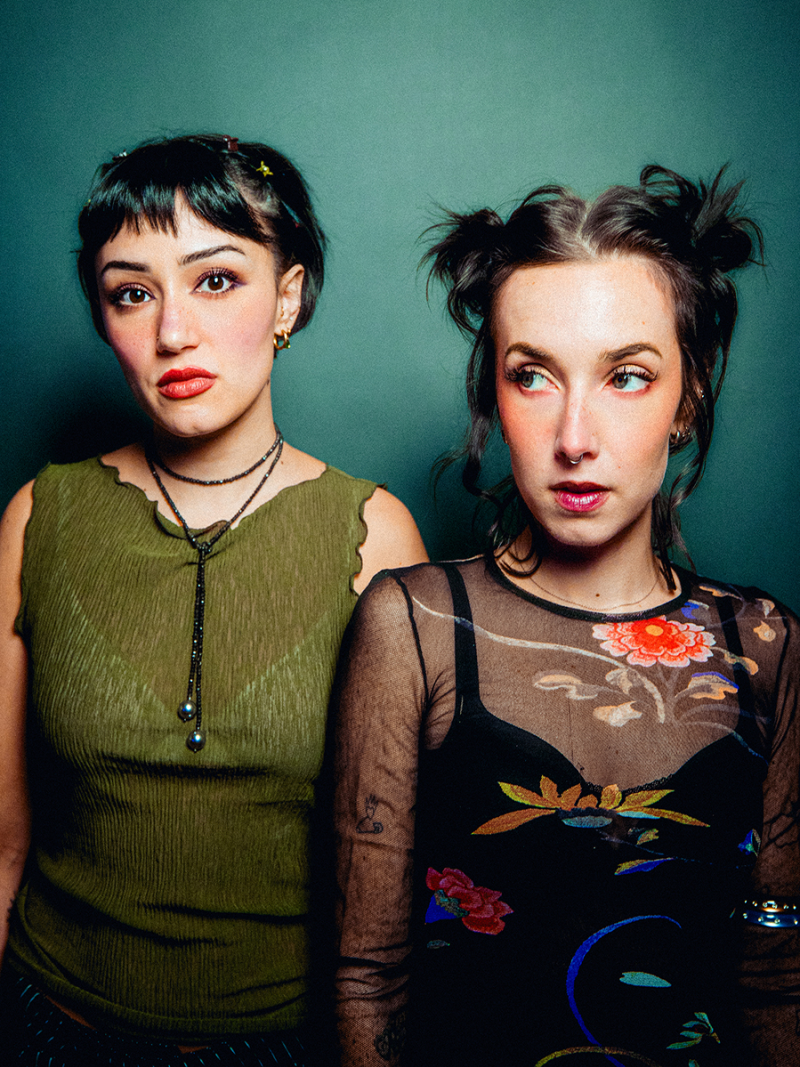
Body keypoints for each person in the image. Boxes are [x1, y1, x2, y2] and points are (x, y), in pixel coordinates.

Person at [334, 167, 799, 1066]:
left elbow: (778, 976)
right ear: (493, 396)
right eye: (533, 376)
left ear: (689, 397)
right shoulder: (414, 627)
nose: (575, 436)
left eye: (627, 376)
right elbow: (366, 978)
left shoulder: (767, 648)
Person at [0, 132, 427, 1066]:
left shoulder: (377, 535)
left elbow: (388, 883)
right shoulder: (39, 516)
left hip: (280, 1042)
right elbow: (0, 845)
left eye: (217, 280)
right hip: (44, 1024)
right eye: (132, 292)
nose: (173, 333)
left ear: (289, 297)